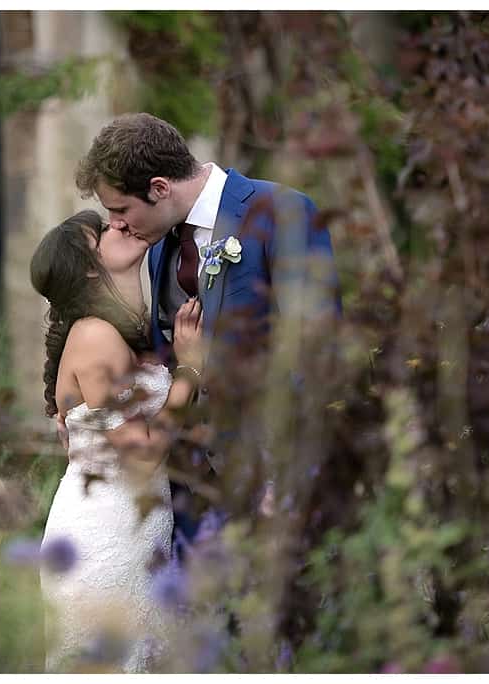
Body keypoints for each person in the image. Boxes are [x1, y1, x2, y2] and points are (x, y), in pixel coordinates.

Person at [74, 112, 340, 558]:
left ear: (160, 188)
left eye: (120, 209)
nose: (116, 224)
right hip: (193, 490)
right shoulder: (158, 244)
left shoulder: (280, 211)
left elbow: (317, 350)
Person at [30, 210, 205, 673]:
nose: (121, 224)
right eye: (104, 230)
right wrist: (189, 371)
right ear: (90, 267)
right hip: (103, 539)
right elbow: (143, 456)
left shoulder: (123, 329)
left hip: (139, 530)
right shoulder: (94, 336)